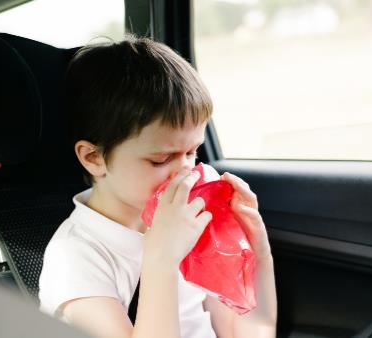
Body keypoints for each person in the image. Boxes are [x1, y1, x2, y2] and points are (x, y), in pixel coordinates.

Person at [38, 35, 277, 338]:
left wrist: (258, 252)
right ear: (94, 157)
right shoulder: (77, 257)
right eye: (161, 159)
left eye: (192, 152)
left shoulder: (189, 221)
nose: (186, 172)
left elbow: (248, 332)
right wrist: (161, 261)